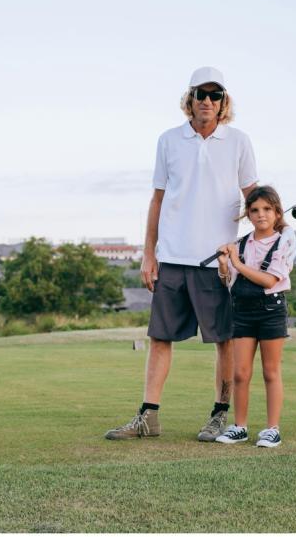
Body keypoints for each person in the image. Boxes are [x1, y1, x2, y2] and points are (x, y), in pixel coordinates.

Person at [105, 66, 258, 441]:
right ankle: (148, 418)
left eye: (215, 95)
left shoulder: (239, 141)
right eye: (200, 94)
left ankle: (220, 414)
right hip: (172, 256)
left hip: (217, 262)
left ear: (224, 102)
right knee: (160, 337)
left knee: (223, 340)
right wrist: (148, 254)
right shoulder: (169, 140)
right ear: (189, 99)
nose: (207, 101)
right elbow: (158, 199)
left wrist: (255, 246)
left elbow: (253, 198)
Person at [214, 185, 296, 447]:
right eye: (254, 210)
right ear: (248, 215)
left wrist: (238, 263)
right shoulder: (242, 244)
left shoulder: (284, 241)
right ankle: (240, 427)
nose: (261, 214)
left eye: (267, 209)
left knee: (270, 371)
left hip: (271, 309)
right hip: (243, 310)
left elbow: (269, 279)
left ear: (276, 212)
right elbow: (231, 282)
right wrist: (225, 266)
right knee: (241, 372)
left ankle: (272, 429)